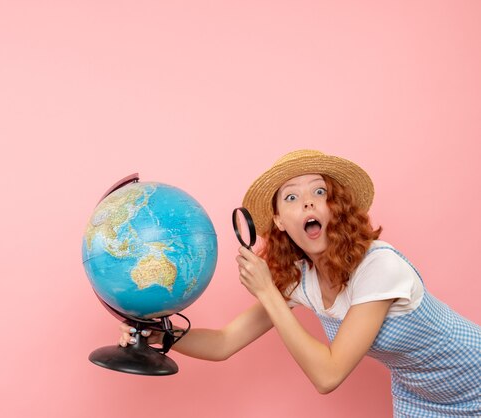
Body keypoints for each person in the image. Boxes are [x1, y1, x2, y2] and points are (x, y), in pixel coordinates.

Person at [119, 150, 481, 416]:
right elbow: (225, 342)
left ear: (334, 208)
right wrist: (163, 336)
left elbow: (328, 375)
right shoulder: (302, 279)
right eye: (291, 197)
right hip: (420, 396)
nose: (308, 202)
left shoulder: (379, 266)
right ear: (278, 221)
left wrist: (266, 291)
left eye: (319, 193)